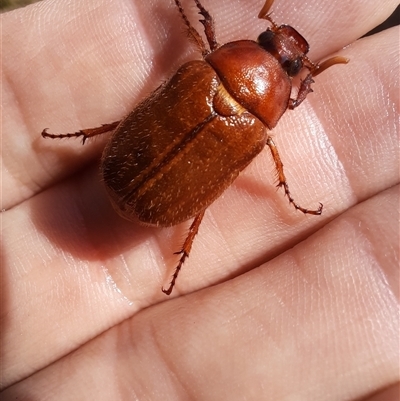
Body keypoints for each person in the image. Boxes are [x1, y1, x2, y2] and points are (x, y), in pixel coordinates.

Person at [1, 0, 398, 399]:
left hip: (131, 172)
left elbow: (204, 37)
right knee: (208, 187)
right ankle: (182, 252)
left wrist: (197, 15)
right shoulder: (260, 125)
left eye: (287, 61)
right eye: (269, 40)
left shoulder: (206, 69)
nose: (281, 52)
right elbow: (290, 100)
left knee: (199, 175)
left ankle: (88, 141)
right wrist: (304, 81)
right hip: (156, 197)